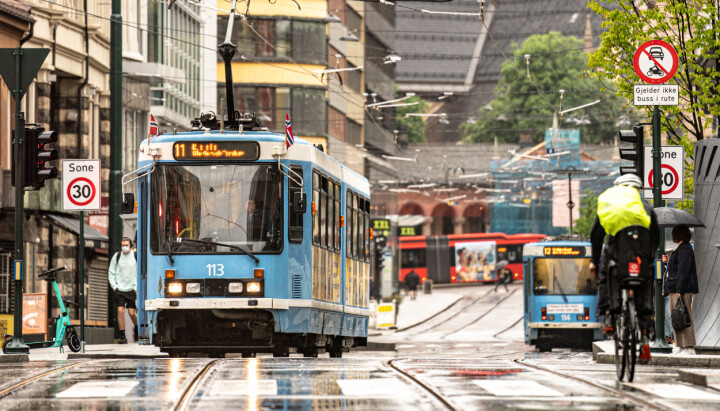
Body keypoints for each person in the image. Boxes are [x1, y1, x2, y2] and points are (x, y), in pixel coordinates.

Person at [589, 173, 659, 364]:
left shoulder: (611, 202)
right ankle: (645, 340)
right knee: (646, 284)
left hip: (617, 258)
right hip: (641, 257)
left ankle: (609, 315)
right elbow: (655, 235)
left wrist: (594, 262)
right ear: (638, 189)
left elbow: (595, 235)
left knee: (606, 272)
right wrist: (650, 258)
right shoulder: (646, 206)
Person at [664, 225, 698, 355]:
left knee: (684, 316)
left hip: (681, 289)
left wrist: (679, 289)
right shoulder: (682, 249)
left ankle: (688, 346)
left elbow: (683, 271)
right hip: (677, 288)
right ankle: (680, 344)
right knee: (678, 317)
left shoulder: (684, 249)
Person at [109, 237, 138, 344]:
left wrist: (136, 288)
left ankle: (137, 327)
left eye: (126, 245)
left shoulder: (135, 256)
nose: (124, 247)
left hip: (131, 289)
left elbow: (140, 272)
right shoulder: (117, 257)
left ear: (130, 245)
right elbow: (111, 272)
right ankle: (122, 335)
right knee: (120, 311)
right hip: (120, 289)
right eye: (123, 245)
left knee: (132, 313)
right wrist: (114, 286)